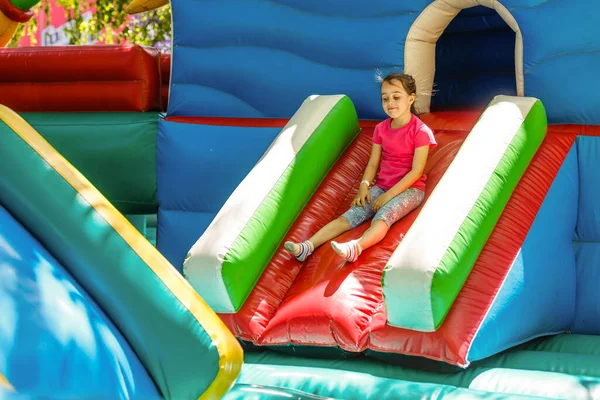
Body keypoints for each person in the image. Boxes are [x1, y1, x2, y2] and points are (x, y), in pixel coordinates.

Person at [284, 72, 436, 263]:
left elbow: (416, 172)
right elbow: (373, 163)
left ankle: (356, 247)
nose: (390, 102)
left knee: (383, 216)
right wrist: (364, 186)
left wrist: (388, 196)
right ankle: (306, 247)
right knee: (350, 215)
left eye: (396, 97)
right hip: (382, 186)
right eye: (385, 98)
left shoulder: (420, 131)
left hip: (411, 190)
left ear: (411, 98)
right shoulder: (381, 129)